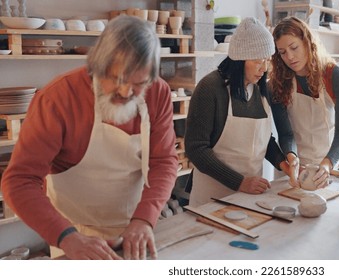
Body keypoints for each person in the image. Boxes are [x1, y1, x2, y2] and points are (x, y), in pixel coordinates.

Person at [1, 15, 178, 260]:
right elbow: (19, 181)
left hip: (135, 227)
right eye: (117, 80)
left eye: (139, 84)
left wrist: (144, 218)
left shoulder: (158, 92)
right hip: (75, 234)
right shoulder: (58, 99)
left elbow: (164, 161)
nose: (126, 92)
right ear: (96, 66)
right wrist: (66, 236)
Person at [185, 17, 298, 207]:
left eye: (267, 61)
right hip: (212, 198)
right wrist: (240, 182)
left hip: (250, 196)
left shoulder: (259, 89)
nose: (264, 68)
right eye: (257, 61)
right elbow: (196, 149)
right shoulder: (210, 88)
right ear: (239, 59)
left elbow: (263, 140)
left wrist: (282, 163)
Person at [269, 16, 339, 189]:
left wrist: (328, 164)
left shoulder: (334, 76)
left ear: (307, 42)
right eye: (282, 52)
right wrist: (291, 157)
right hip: (294, 167)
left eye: (294, 47)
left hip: (328, 162)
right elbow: (285, 134)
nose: (289, 57)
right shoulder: (278, 83)